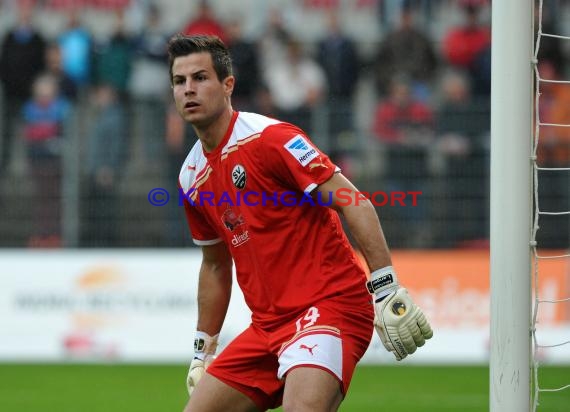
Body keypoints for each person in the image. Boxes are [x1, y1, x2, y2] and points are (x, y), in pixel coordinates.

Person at [168, 34, 433, 412]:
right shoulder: (190, 177)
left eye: (200, 78)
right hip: (266, 327)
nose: (189, 90)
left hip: (329, 306)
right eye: (180, 82)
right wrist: (202, 349)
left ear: (228, 85)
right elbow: (214, 264)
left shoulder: (271, 139)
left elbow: (353, 201)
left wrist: (385, 286)